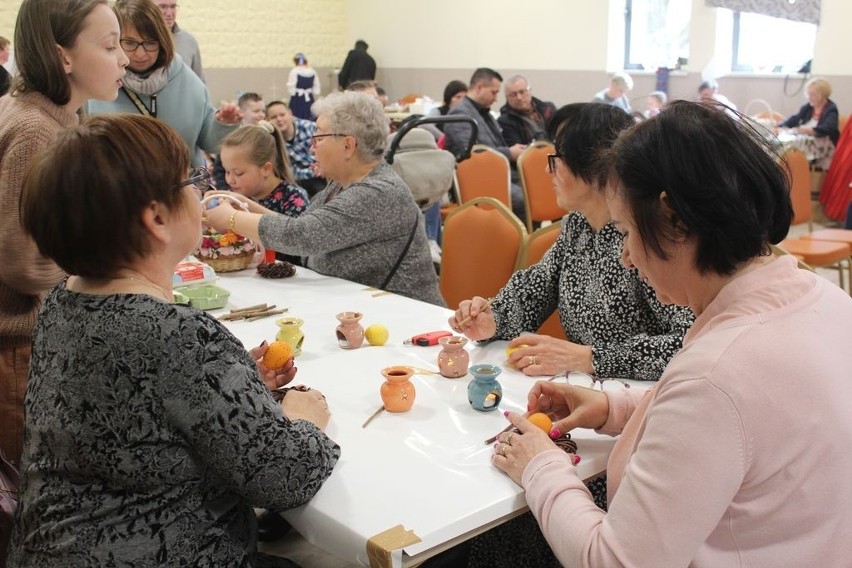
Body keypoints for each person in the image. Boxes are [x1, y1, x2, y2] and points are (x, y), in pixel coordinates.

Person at [490, 100, 852, 567]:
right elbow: (749, 429)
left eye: (625, 232)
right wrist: (616, 407)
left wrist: (539, 465)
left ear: (674, 221)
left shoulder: (718, 374)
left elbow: (615, 561)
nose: (625, 257)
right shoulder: (827, 300)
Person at [7, 114, 339, 567]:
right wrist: (304, 416)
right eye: (195, 178)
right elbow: (282, 477)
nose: (203, 190)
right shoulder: (178, 335)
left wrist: (231, 386)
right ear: (158, 217)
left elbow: (137, 407)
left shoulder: (61, 302)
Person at [450, 103, 693, 381]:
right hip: (586, 393)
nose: (546, 169)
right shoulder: (578, 225)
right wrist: (492, 319)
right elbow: (535, 290)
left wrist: (590, 357)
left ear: (593, 165)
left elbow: (689, 344)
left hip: (642, 403)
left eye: (556, 158)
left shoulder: (647, 234)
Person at [0, 0, 128, 469]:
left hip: (30, 343)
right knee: (26, 502)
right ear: (63, 57)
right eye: (111, 45)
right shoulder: (35, 129)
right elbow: (25, 262)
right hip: (17, 350)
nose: (125, 59)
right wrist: (114, 260)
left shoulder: (51, 116)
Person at [206, 91, 445, 306]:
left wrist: (232, 218)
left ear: (348, 145)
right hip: (366, 314)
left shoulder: (378, 193)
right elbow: (303, 227)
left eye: (318, 137)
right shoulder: (340, 186)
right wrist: (246, 207)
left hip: (407, 321)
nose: (312, 148)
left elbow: (301, 236)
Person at [87, 0, 240, 167]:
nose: (140, 53)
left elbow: (209, 143)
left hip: (183, 188)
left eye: (150, 43)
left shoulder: (187, 81)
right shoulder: (99, 86)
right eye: (130, 43)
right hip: (120, 189)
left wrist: (224, 124)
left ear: (163, 41)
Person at [444, 67, 527, 218]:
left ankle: (532, 239)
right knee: (524, 200)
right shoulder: (459, 115)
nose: (496, 98)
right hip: (479, 178)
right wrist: (509, 152)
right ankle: (519, 240)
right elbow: (472, 153)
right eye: (494, 92)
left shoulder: (484, 112)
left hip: (500, 171)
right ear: (479, 87)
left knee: (542, 190)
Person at [220, 122, 308, 219]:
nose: (229, 180)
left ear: (266, 169)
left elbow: (296, 231)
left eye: (238, 173)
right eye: (227, 171)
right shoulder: (235, 195)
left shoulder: (293, 199)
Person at [266, 99, 326, 197]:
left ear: (290, 114)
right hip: (298, 180)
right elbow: (287, 171)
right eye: (274, 117)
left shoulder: (310, 127)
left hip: (323, 171)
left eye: (282, 115)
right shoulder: (272, 142)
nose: (279, 119)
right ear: (267, 120)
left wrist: (322, 168)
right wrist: (312, 172)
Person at [497, 75, 557, 146]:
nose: (519, 97)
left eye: (522, 92)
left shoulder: (548, 109)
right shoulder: (504, 121)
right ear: (507, 98)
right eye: (513, 95)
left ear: (530, 91)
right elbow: (517, 149)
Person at [779, 76, 840, 146]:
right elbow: (795, 118)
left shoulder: (831, 109)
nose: (809, 97)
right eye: (808, 94)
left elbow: (829, 127)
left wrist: (810, 130)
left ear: (823, 95)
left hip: (823, 144)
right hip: (806, 141)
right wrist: (780, 126)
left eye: (813, 94)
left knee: (791, 147)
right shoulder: (808, 107)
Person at [154, 0, 204, 81]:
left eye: (173, 7)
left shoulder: (188, 41)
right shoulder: (139, 41)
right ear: (148, 8)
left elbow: (200, 85)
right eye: (163, 7)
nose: (169, 13)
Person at [287, 52, 320, 120]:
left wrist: (292, 92)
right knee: (310, 115)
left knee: (296, 116)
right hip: (309, 98)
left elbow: (291, 86)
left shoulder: (294, 71)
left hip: (297, 98)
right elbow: (316, 86)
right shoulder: (312, 71)